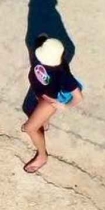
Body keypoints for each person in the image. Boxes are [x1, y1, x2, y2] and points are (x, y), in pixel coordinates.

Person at [22, 36, 82, 174]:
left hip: (50, 100)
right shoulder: (39, 48)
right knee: (35, 118)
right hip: (41, 93)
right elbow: (41, 36)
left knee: (30, 128)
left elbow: (78, 97)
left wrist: (63, 106)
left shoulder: (62, 74)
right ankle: (44, 122)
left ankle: (42, 156)